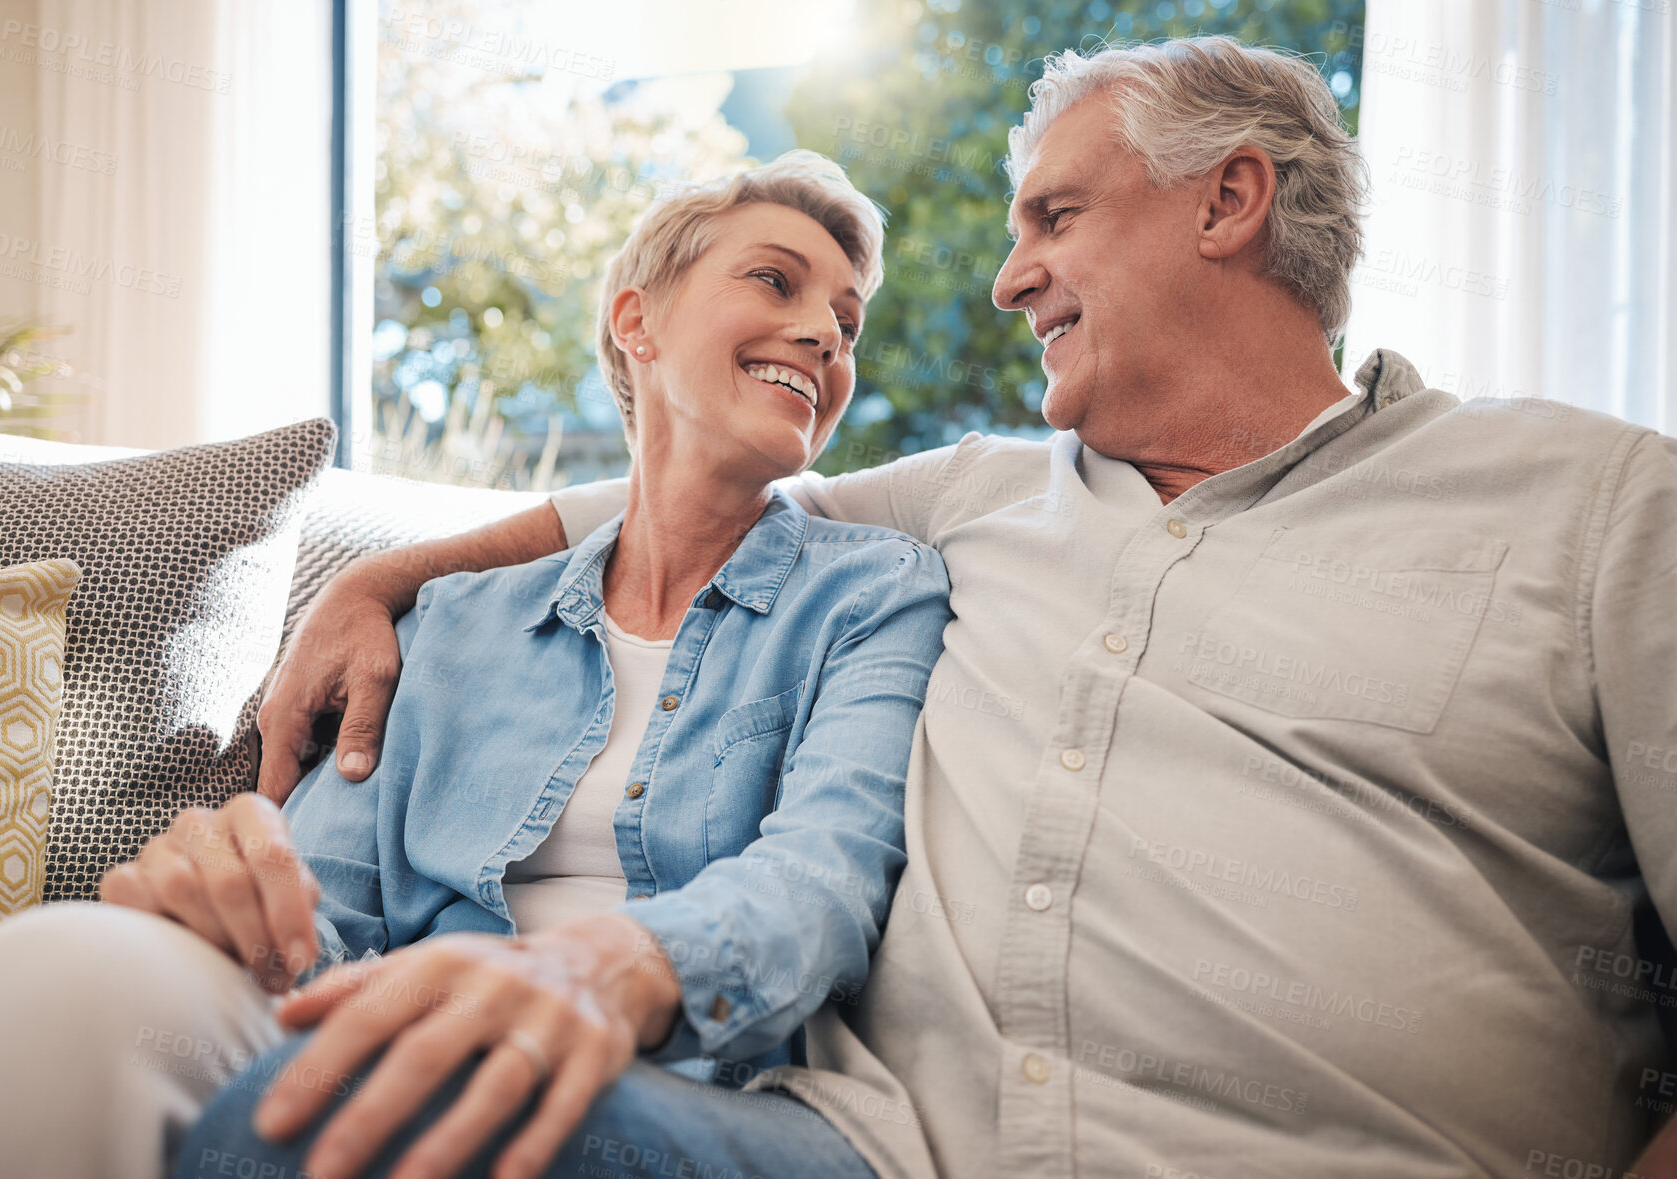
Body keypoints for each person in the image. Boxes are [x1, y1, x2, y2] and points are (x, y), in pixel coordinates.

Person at [248, 34, 1677, 1179]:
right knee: (320, 1111)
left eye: (1054, 217)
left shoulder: (1592, 503)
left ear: (1226, 201)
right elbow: (682, 507)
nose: (1005, 281)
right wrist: (383, 572)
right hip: (875, 1148)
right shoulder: (972, 497)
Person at [0, 150, 951, 1179]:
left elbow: (822, 886)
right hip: (387, 1030)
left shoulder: (874, 592)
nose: (822, 335)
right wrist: (232, 903)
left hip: (722, 1088)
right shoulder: (451, 624)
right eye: (774, 280)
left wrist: (583, 972)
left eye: (846, 325)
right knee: (60, 972)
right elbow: (324, 914)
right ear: (638, 323)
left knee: (395, 1098)